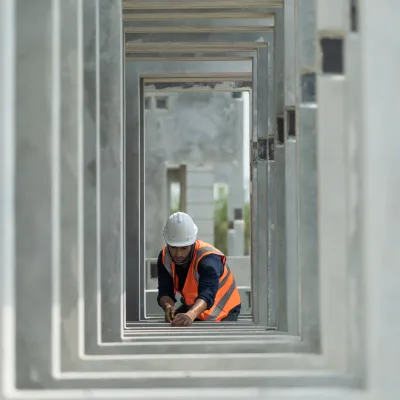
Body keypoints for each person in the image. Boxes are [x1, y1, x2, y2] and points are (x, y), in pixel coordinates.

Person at [157, 211, 241, 327]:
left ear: (192, 243)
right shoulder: (164, 257)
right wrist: (168, 307)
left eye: (184, 248)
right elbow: (165, 290)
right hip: (195, 309)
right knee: (176, 323)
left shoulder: (208, 259)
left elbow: (207, 293)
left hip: (224, 311)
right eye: (173, 248)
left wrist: (190, 315)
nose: (178, 254)